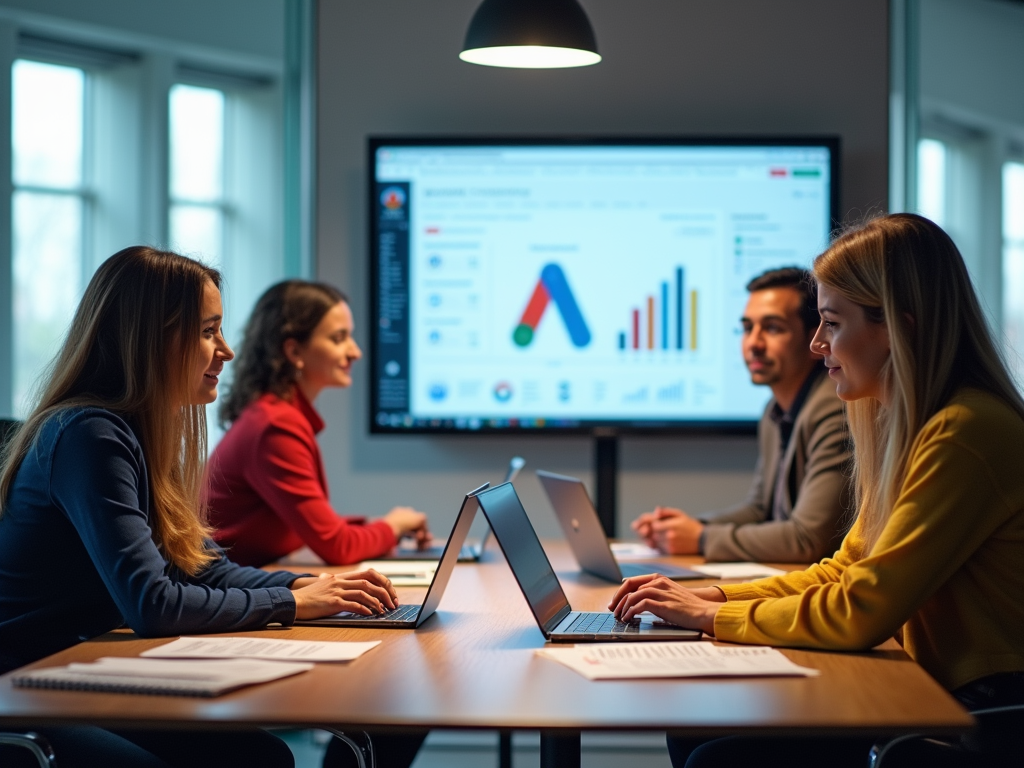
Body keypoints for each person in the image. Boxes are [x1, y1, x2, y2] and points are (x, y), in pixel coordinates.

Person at [611, 214, 1024, 767]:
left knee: (719, 757)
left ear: (898, 329)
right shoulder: (918, 428)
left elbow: (860, 608)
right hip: (944, 693)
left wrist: (711, 618)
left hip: (988, 715)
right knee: (696, 734)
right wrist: (713, 597)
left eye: (831, 322)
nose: (817, 342)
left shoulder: (965, 432)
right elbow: (841, 571)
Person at [0, 247, 401, 768]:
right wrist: (293, 605)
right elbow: (154, 604)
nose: (227, 351)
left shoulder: (136, 432)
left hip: (80, 665)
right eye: (209, 331)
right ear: (153, 339)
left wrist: (301, 587)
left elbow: (202, 567)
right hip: (25, 682)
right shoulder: (88, 434)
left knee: (261, 757)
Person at [632, 267, 851, 563]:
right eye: (748, 328)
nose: (754, 344)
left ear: (814, 338)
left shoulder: (833, 408)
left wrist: (700, 538)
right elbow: (760, 509)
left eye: (772, 328)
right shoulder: (774, 411)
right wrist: (686, 528)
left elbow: (808, 538)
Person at [206, 280, 430, 567]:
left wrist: (381, 526)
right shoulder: (276, 426)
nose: (355, 352)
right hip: (226, 593)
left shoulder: (273, 415)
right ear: (294, 352)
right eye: (339, 339)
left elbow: (313, 529)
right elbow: (337, 546)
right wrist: (392, 527)